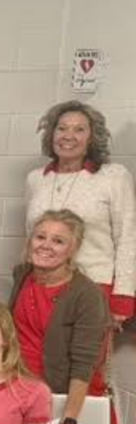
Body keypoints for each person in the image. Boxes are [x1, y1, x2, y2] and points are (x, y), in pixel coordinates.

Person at [9, 210, 126, 424]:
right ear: (30, 240)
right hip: (18, 394)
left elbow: (84, 368)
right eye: (41, 237)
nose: (46, 245)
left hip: (58, 400)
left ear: (73, 249)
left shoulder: (87, 295)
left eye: (58, 241)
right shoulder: (22, 274)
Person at [25, 101, 135, 329]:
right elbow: (29, 236)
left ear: (92, 138)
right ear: (51, 134)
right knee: (33, 361)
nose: (68, 135)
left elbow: (128, 237)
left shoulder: (114, 176)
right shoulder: (35, 179)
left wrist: (123, 296)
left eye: (79, 129)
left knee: (82, 363)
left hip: (93, 287)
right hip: (41, 287)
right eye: (61, 128)